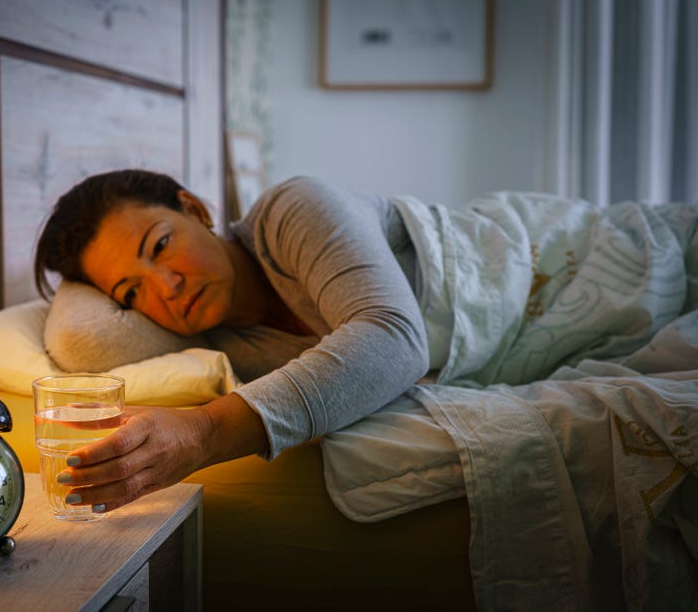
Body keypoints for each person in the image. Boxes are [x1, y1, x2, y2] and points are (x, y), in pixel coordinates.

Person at [33, 169, 430, 513]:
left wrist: (204, 433)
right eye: (132, 292)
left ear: (196, 210)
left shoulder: (292, 209)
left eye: (159, 246)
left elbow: (395, 339)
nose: (167, 287)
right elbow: (77, 339)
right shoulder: (218, 348)